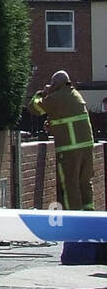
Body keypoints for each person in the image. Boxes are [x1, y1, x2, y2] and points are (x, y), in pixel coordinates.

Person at [30, 71, 97, 212]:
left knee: (70, 183)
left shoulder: (56, 97)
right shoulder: (74, 94)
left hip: (70, 149)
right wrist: (54, 124)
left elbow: (34, 108)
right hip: (86, 146)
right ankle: (89, 214)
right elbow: (67, 118)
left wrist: (41, 93)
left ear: (55, 83)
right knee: (85, 182)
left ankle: (74, 218)